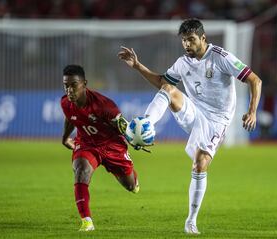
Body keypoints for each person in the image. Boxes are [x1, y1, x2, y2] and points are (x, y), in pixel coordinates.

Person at [118, 18, 262, 234]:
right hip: (193, 112)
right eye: (184, 40)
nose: (187, 45)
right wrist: (138, 66)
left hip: (216, 120)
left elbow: (255, 80)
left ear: (203, 38)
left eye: (191, 40)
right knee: (168, 88)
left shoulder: (220, 57)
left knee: (200, 163)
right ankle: (146, 123)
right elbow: (161, 82)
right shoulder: (182, 62)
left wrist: (252, 111)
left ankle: (191, 221)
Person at [60, 64, 139, 232]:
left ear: (84, 83)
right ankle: (87, 221)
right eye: (66, 85)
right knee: (81, 170)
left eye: (73, 85)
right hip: (87, 144)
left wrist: (135, 140)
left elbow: (122, 126)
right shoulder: (66, 103)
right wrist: (65, 137)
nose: (69, 90)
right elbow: (71, 118)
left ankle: (131, 177)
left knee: (130, 186)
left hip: (112, 146)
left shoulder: (104, 105)